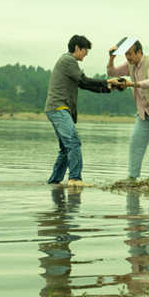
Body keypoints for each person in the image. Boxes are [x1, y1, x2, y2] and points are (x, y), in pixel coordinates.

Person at [45, 34, 118, 187]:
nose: (86, 54)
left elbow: (83, 85)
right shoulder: (68, 60)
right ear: (77, 48)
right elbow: (84, 80)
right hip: (58, 108)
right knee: (73, 143)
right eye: (85, 51)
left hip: (57, 108)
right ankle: (75, 179)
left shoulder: (68, 62)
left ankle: (54, 183)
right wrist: (107, 81)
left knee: (66, 148)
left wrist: (108, 87)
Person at [107, 38, 149, 182]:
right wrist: (112, 58)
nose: (128, 57)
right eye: (126, 54)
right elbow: (112, 72)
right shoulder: (130, 64)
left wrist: (130, 84)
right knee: (136, 141)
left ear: (139, 52)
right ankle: (132, 176)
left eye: (130, 54)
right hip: (143, 109)